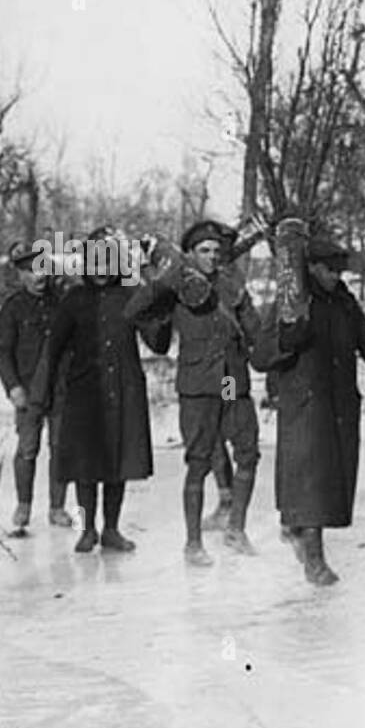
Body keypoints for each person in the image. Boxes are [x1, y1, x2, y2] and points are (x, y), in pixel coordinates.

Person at [251, 220, 365, 585]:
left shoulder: (343, 302)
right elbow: (260, 356)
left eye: (339, 270)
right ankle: (314, 557)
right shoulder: (290, 300)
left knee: (328, 485)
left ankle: (297, 529)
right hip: (304, 409)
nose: (334, 276)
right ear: (310, 267)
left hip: (339, 406)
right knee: (310, 483)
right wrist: (288, 340)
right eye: (329, 270)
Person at [124, 219, 263, 565]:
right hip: (199, 386)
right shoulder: (174, 286)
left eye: (217, 251)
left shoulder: (232, 285)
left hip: (230, 381)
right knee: (199, 461)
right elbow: (137, 316)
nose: (212, 256)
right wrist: (159, 282)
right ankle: (193, 544)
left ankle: (236, 528)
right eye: (204, 250)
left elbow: (255, 332)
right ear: (189, 254)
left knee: (247, 449)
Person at [31, 226, 156, 553]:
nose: (101, 269)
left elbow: (157, 342)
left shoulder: (131, 294)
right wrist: (39, 396)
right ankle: (87, 529)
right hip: (84, 393)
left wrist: (156, 302)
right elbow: (53, 347)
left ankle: (111, 530)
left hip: (124, 390)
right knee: (85, 468)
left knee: (117, 465)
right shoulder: (75, 299)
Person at [0, 240, 72, 533]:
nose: (39, 276)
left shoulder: (63, 301)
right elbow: (2, 351)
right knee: (27, 449)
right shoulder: (12, 308)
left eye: (43, 268)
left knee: (60, 448)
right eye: (30, 271)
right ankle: (24, 505)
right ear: (20, 275)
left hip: (61, 389)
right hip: (27, 391)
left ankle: (57, 507)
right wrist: (13, 387)